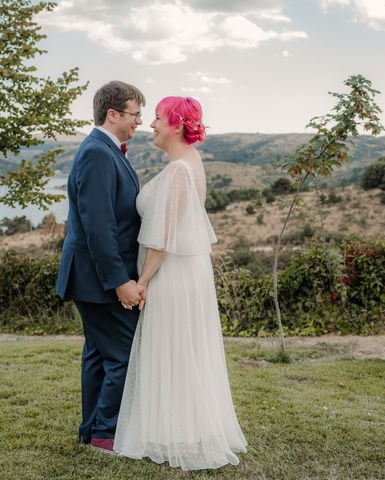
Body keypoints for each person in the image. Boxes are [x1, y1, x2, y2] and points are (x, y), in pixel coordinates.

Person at [113, 96, 248, 470]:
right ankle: (182, 429)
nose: (150, 124)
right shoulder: (189, 163)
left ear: (175, 124)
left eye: (157, 118)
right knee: (183, 349)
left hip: (170, 275)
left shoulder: (178, 172)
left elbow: (161, 239)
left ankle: (182, 434)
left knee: (174, 349)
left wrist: (141, 282)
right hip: (188, 273)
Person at [56, 80, 146, 452]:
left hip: (92, 278)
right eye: (135, 114)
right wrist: (120, 282)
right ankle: (105, 435)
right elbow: (98, 227)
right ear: (113, 114)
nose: (138, 122)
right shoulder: (97, 153)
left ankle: (90, 430)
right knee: (123, 354)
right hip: (99, 280)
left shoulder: (106, 151)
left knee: (98, 353)